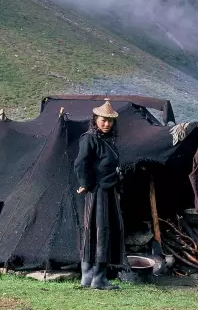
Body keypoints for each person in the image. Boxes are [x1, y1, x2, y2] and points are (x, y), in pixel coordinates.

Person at [74, 99, 125, 290]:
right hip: (98, 191)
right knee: (101, 231)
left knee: (96, 230)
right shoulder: (90, 138)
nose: (106, 124)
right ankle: (98, 279)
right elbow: (80, 163)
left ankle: (88, 278)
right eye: (103, 120)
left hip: (107, 190)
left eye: (110, 121)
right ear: (95, 119)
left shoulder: (107, 140)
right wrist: (85, 184)